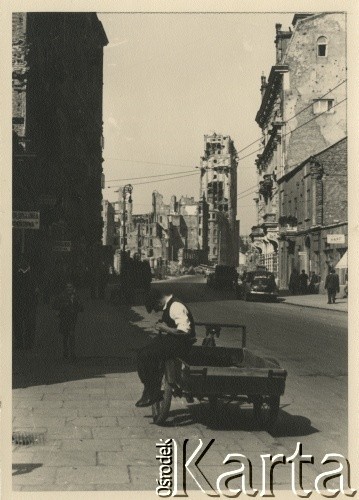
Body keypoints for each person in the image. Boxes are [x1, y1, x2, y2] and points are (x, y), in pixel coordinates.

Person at [135, 289, 196, 407]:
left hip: (182, 344)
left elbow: (185, 331)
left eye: (155, 308)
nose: (156, 311)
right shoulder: (170, 305)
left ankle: (152, 392)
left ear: (159, 302)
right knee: (142, 353)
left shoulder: (176, 306)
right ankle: (150, 389)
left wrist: (165, 328)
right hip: (174, 341)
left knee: (146, 355)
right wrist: (165, 325)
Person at [13, 256, 39, 349]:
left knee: (22, 324)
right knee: (26, 324)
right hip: (25, 303)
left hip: (22, 303)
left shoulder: (16, 275)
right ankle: (26, 343)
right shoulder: (31, 275)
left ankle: (23, 343)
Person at [54, 282, 83, 360]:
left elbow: (81, 307)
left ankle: (72, 353)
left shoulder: (76, 296)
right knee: (65, 335)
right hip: (64, 318)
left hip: (73, 318)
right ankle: (65, 350)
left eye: (70, 287)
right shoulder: (62, 296)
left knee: (71, 334)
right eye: (67, 287)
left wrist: (77, 302)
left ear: (73, 288)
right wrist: (62, 307)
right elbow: (56, 306)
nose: (69, 289)